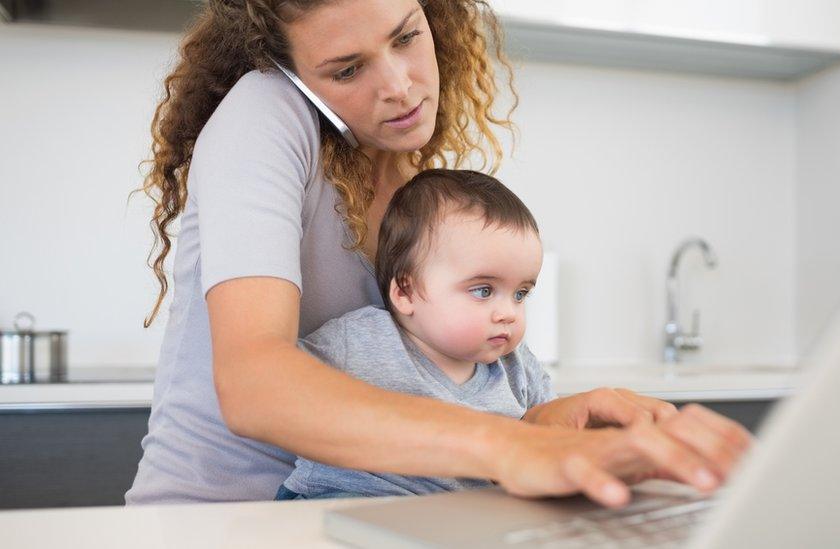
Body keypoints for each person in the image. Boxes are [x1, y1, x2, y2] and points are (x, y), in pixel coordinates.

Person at [127, 0, 751, 509]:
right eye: (347, 70)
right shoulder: (264, 114)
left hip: (355, 514)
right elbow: (253, 384)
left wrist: (540, 427)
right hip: (226, 521)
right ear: (291, 74)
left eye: (406, 38)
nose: (398, 87)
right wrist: (508, 446)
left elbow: (408, 390)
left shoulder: (402, 173)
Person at [278, 169, 555, 500]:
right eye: (483, 290)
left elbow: (547, 438)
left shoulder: (516, 366)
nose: (509, 312)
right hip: (344, 502)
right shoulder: (358, 341)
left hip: (458, 516)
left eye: (520, 294)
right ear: (405, 293)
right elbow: (279, 388)